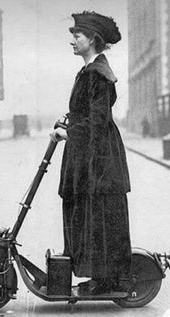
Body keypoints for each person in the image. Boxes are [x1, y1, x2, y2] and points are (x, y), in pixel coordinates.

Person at [51, 11, 131, 295]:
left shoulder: (98, 74)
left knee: (97, 213)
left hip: (98, 157)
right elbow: (84, 112)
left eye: (77, 36)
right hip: (89, 152)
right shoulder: (89, 71)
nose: (72, 40)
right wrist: (68, 123)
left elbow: (97, 121)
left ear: (93, 40)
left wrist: (69, 133)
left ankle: (104, 278)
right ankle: (98, 276)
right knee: (87, 211)